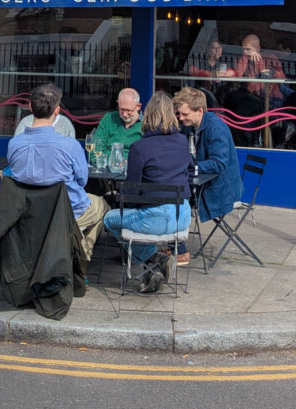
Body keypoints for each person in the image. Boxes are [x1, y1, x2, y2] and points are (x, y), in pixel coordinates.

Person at [102, 91, 193, 293]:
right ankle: (153, 267)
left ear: (147, 115)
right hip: (182, 216)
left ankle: (152, 259)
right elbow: (189, 172)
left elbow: (132, 196)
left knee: (109, 218)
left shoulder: (140, 147)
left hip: (154, 218)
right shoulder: (182, 141)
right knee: (134, 216)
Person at [7, 83, 109, 260]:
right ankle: (80, 257)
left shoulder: (14, 144)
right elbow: (82, 181)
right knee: (103, 206)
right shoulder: (71, 146)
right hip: (65, 212)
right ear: (57, 111)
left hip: (28, 211)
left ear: (30, 107)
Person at [173, 86, 242, 265]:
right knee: (171, 195)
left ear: (200, 111)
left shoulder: (215, 128)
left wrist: (191, 167)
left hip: (219, 190)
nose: (181, 118)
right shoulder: (189, 126)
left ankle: (179, 249)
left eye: (185, 114)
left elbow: (219, 163)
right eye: (179, 114)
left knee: (176, 199)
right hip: (201, 183)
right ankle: (174, 244)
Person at [233, 33, 286, 106]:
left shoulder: (270, 58)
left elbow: (282, 77)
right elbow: (238, 76)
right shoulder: (242, 60)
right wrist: (245, 58)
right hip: (251, 98)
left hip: (272, 97)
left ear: (257, 48)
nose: (244, 52)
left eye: (248, 49)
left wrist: (272, 72)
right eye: (243, 49)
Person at [93, 87, 143, 160]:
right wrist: (102, 163)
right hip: (106, 165)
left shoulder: (146, 125)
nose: (124, 114)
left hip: (132, 165)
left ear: (138, 106)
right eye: (122, 110)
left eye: (128, 110)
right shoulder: (108, 119)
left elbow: (146, 155)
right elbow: (96, 148)